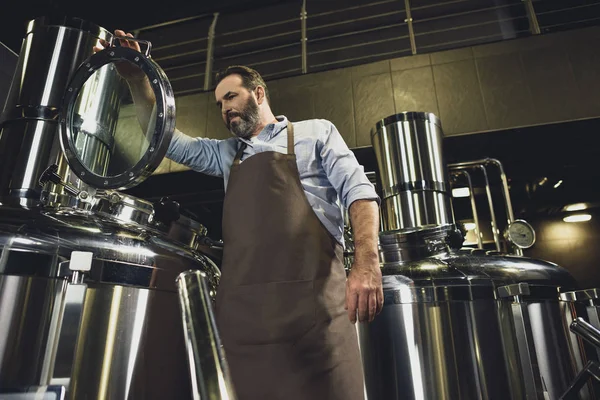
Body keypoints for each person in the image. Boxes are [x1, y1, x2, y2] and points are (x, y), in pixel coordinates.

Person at [107, 30, 383, 400]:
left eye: (231, 96)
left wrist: (367, 263)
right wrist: (138, 78)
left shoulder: (315, 133)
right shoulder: (226, 155)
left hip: (314, 326)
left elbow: (360, 193)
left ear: (258, 93)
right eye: (220, 104)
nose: (224, 109)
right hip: (243, 331)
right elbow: (163, 138)